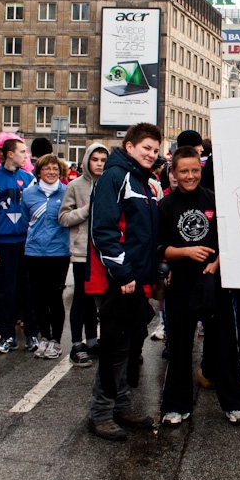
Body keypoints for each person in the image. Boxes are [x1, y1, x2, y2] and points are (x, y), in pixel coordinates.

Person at [158, 146, 240, 426]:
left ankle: (235, 404)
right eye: (184, 171)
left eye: (195, 170)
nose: (190, 176)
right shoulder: (165, 205)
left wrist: (217, 263)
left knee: (224, 345)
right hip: (180, 286)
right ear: (172, 172)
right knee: (179, 347)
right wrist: (185, 252)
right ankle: (175, 405)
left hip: (213, 283)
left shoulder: (215, 199)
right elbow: (161, 249)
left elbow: (231, 238)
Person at [86, 123, 160, 441]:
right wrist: (124, 273)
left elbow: (144, 234)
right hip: (117, 281)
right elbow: (103, 230)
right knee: (115, 348)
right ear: (129, 147)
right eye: (146, 148)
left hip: (135, 280)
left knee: (126, 348)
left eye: (155, 150)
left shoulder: (142, 181)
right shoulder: (114, 177)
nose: (152, 154)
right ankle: (100, 413)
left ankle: (120, 404)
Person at [0, 137, 40, 354]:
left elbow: (38, 213)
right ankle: (7, 336)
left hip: (27, 244)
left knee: (28, 291)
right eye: (22, 151)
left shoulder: (30, 180)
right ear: (10, 154)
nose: (27, 155)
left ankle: (32, 334)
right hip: (3, 245)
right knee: (5, 292)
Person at [59, 142, 108, 367]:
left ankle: (92, 339)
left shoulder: (110, 183)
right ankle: (76, 344)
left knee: (97, 296)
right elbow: (64, 217)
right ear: (87, 160)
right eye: (95, 159)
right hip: (81, 251)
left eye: (103, 160)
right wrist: (86, 209)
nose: (99, 164)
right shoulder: (75, 186)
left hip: (103, 251)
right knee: (81, 296)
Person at [22, 154, 70, 360]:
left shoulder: (67, 192)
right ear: (39, 171)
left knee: (54, 296)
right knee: (38, 297)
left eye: (55, 169)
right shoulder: (28, 194)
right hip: (34, 252)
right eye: (47, 168)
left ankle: (56, 341)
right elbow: (26, 220)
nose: (51, 172)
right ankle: (44, 337)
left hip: (59, 253)